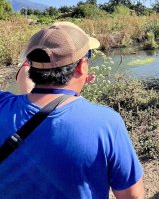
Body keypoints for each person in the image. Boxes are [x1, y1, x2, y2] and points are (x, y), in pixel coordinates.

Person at [0, 22, 145, 199]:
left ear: (30, 65)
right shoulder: (106, 123)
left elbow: (33, 95)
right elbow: (132, 196)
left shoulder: (3, 105)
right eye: (88, 56)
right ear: (82, 65)